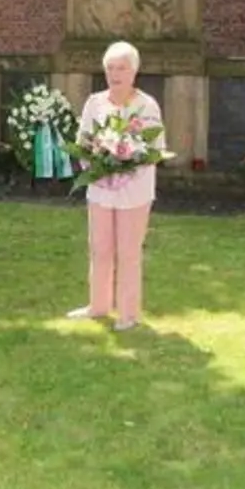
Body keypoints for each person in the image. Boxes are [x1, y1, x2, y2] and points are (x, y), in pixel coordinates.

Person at [67, 41, 165, 331]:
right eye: (110, 68)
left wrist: (125, 166)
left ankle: (128, 313)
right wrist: (97, 164)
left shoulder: (146, 105)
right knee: (99, 248)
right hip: (100, 189)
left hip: (134, 192)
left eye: (121, 68)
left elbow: (154, 148)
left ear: (134, 71)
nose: (115, 74)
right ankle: (97, 306)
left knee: (128, 252)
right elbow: (84, 140)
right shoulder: (94, 103)